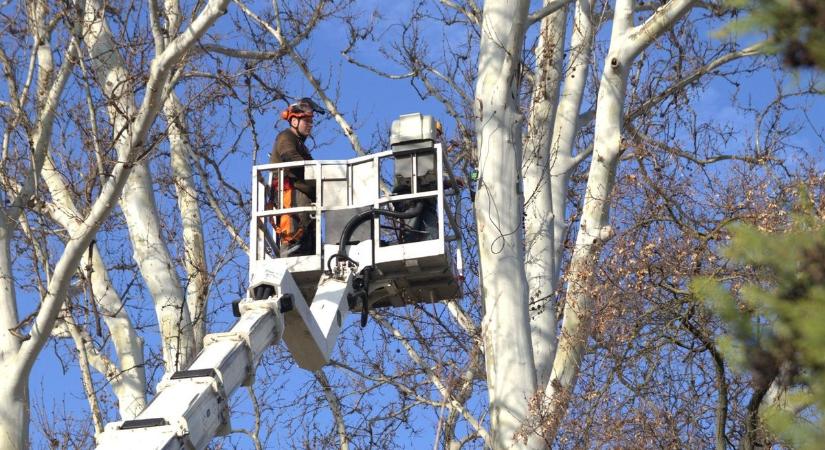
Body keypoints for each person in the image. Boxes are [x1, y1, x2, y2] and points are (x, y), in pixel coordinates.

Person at [270, 97, 325, 256]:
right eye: (306, 121)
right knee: (295, 230)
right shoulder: (286, 137)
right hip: (291, 192)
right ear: (294, 121)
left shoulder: (301, 144)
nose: (310, 125)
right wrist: (312, 170)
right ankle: (294, 247)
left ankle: (309, 247)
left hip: (304, 195)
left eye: (311, 121)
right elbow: (289, 156)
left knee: (309, 228)